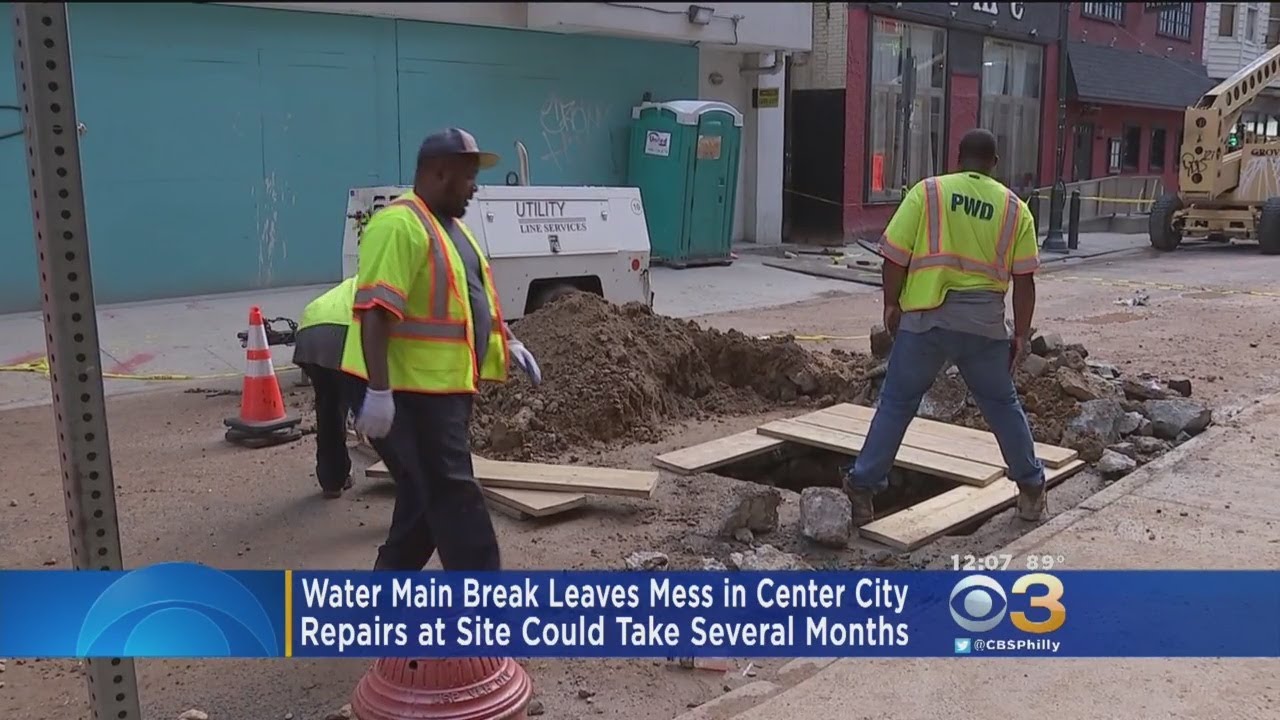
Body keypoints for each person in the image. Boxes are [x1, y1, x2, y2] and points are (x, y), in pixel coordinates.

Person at [340, 128, 542, 572]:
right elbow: (375, 310)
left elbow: (471, 300)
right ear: (439, 172)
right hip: (410, 392)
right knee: (454, 494)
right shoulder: (399, 225)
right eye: (468, 177)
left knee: (422, 499)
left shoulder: (454, 231)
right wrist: (377, 391)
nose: (475, 188)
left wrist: (508, 340)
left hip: (443, 389)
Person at [845, 128, 1045, 526]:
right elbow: (1025, 281)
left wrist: (890, 304)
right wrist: (1020, 333)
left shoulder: (929, 192)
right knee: (1002, 406)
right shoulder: (1014, 209)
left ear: (958, 158)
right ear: (994, 164)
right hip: (984, 326)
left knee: (897, 404)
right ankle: (1031, 489)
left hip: (926, 320)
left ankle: (863, 488)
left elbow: (894, 256)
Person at [292, 276, 357, 499]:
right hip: (341, 333)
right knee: (366, 405)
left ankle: (332, 480)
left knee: (329, 405)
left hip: (308, 331)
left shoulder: (355, 283)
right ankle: (409, 485)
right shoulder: (387, 285)